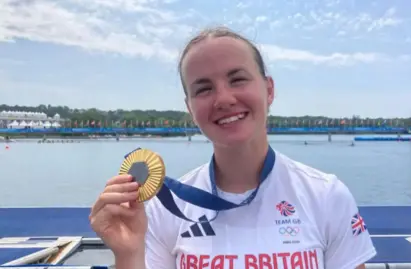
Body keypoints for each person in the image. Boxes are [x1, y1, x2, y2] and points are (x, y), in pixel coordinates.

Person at [89, 26, 377, 269]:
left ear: (269, 90)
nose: (224, 99)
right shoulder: (165, 210)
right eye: (203, 89)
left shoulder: (326, 196)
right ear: (190, 109)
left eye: (237, 79)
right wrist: (127, 254)